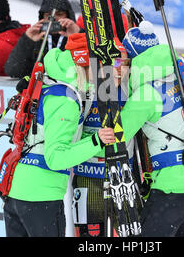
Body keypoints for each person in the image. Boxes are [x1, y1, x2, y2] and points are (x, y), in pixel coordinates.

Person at [1, 33, 115, 237]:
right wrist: (97, 140)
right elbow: (56, 158)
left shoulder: (52, 79)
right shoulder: (66, 101)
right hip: (41, 196)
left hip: (16, 191)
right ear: (85, 62)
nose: (103, 69)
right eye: (99, 63)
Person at [106, 20, 184, 237]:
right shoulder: (180, 77)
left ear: (135, 58)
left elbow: (115, 137)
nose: (121, 66)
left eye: (124, 60)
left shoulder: (146, 94)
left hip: (172, 188)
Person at [70, 35, 138, 237]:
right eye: (110, 63)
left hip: (124, 179)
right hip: (87, 179)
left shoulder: (131, 88)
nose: (117, 69)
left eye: (122, 62)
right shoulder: (81, 92)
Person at [4, 0, 80, 79]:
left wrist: (78, 36)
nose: (53, 19)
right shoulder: (37, 39)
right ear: (42, 18)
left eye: (59, 14)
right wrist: (27, 40)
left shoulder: (77, 36)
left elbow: (90, 68)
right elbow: (13, 70)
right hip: (42, 88)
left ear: (68, 16)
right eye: (48, 15)